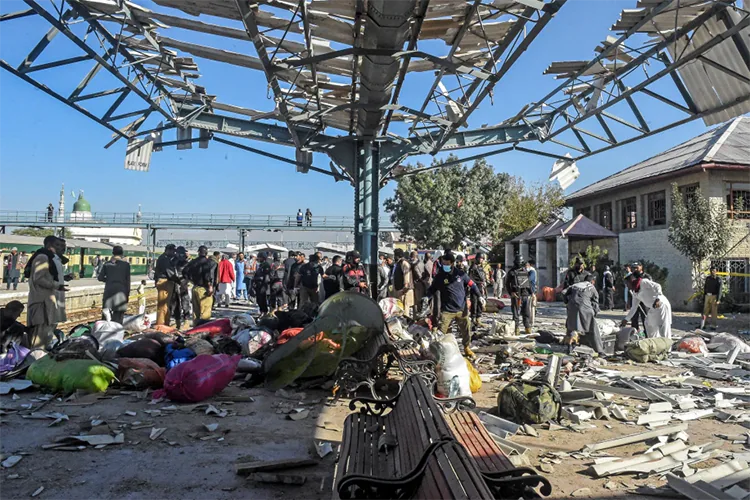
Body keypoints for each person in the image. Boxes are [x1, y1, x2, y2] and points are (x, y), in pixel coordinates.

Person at [426, 252, 481, 359]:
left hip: (461, 309)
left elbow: (472, 284)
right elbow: (432, 289)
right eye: (443, 263)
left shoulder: (460, 274)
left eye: (446, 263)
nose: (444, 265)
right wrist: (426, 297)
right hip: (447, 310)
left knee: (466, 329)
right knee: (441, 332)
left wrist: (479, 296)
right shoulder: (440, 276)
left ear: (452, 263)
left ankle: (466, 348)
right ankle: (440, 352)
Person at [24, 236, 62, 349]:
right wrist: (56, 285)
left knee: (45, 333)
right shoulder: (43, 257)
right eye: (58, 245)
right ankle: (36, 359)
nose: (61, 248)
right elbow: (39, 278)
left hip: (44, 300)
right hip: (41, 301)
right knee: (40, 336)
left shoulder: (47, 257)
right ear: (50, 245)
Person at [564, 275, 605, 355]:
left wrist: (567, 303)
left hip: (572, 307)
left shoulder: (574, 285)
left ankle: (569, 346)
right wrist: (594, 313)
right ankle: (600, 351)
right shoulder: (591, 287)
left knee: (571, 327)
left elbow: (563, 292)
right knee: (592, 329)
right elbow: (595, 302)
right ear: (592, 281)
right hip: (585, 308)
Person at [183, 246, 217, 323]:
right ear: (206, 253)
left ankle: (195, 328)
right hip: (204, 289)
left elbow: (184, 271)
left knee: (196, 310)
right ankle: (203, 329)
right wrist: (210, 286)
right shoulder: (209, 262)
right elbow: (208, 275)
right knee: (205, 310)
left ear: (198, 252)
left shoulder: (193, 262)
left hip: (195, 287)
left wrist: (190, 280)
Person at [98, 246, 131, 324]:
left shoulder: (107, 264)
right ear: (122, 253)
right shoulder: (126, 265)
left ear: (113, 253)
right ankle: (116, 332)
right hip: (121, 291)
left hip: (109, 291)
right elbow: (128, 281)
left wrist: (109, 280)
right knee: (119, 316)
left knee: (106, 314)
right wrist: (127, 293)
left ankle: (104, 331)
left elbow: (100, 277)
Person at [505, 255, 533, 335]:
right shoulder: (511, 272)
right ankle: (516, 328)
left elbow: (529, 283)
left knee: (526, 312)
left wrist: (532, 293)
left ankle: (527, 327)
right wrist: (511, 293)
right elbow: (507, 284)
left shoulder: (525, 271)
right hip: (516, 295)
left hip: (525, 294)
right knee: (516, 314)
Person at [154, 244, 177, 325]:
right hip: (164, 282)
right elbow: (169, 272)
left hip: (164, 282)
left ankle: (165, 322)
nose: (174, 253)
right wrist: (178, 280)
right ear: (168, 250)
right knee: (163, 305)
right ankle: (161, 324)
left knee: (165, 304)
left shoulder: (163, 258)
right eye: (173, 251)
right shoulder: (164, 259)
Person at [52, 238, 72, 324]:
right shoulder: (50, 259)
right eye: (60, 246)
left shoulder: (58, 260)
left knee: (54, 322)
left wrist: (64, 278)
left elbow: (54, 276)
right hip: (51, 296)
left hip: (58, 296)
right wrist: (57, 286)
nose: (63, 249)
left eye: (64, 246)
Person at [468, 253, 490, 328]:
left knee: (480, 304)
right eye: (480, 258)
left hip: (481, 287)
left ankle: (478, 319)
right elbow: (470, 279)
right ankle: (473, 320)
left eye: (482, 258)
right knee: (474, 303)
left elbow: (483, 277)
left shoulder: (480, 267)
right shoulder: (473, 267)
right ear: (477, 258)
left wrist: (484, 283)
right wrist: (477, 283)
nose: (481, 260)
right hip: (475, 287)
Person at [171, 247, 191, 328]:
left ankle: (186, 320)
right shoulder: (173, 261)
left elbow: (189, 273)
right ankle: (177, 321)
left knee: (185, 301)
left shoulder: (187, 262)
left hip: (183, 283)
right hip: (175, 283)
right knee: (175, 303)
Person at [392, 249, 414, 315]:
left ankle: (405, 322)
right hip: (399, 289)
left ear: (397, 256)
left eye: (395, 255)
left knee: (405, 307)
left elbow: (406, 275)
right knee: (400, 307)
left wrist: (405, 287)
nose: (394, 257)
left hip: (404, 290)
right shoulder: (398, 263)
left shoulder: (404, 263)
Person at [701, 266, 723, 330]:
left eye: (713, 271)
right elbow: (705, 288)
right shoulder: (708, 278)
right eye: (711, 270)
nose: (712, 272)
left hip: (714, 296)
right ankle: (704, 324)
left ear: (716, 271)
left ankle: (713, 325)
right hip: (707, 296)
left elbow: (720, 290)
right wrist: (704, 296)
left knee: (714, 312)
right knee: (705, 311)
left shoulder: (718, 279)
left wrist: (718, 299)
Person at [525, 259, 538, 329]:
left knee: (531, 308)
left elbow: (529, 280)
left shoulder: (532, 271)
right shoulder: (530, 271)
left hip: (531, 292)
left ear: (530, 265)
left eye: (527, 265)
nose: (526, 267)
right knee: (529, 308)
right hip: (529, 292)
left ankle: (531, 322)